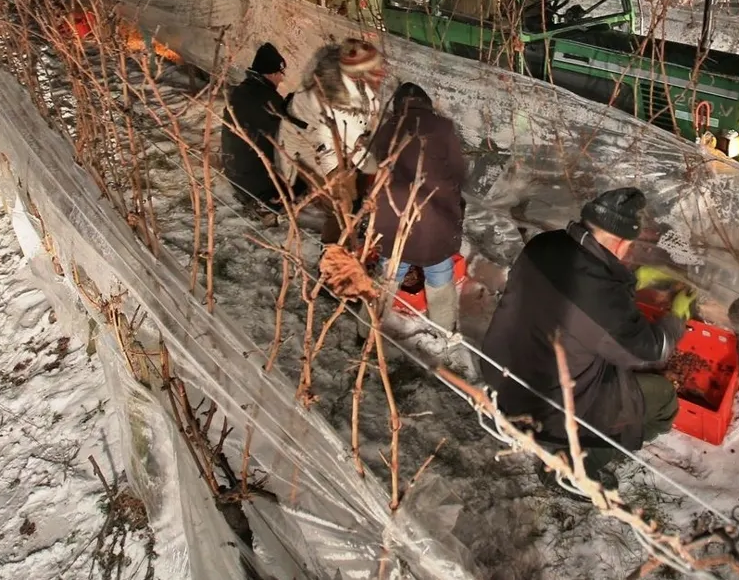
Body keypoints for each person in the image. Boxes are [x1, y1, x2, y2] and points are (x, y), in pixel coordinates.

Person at [479, 187, 693, 487]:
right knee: (663, 399)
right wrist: (678, 317)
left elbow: (587, 291)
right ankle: (575, 465)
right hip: (547, 402)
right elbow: (651, 350)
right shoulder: (599, 297)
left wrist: (632, 281)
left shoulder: (545, 244)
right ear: (621, 243)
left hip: (502, 374)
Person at [370, 83, 468, 335]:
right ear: (426, 102)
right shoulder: (443, 127)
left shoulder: (387, 128)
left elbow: (374, 167)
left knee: (387, 276)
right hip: (435, 215)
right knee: (439, 274)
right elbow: (459, 171)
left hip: (395, 217)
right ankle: (444, 329)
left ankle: (366, 328)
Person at [275, 38, 385, 240]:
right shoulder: (337, 101)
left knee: (347, 190)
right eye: (374, 70)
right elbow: (363, 158)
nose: (381, 75)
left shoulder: (338, 76)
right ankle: (331, 261)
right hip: (311, 148)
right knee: (341, 205)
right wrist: (383, 169)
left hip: (320, 140)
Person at [220, 42, 290, 210]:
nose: (282, 78)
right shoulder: (269, 100)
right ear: (272, 73)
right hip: (257, 186)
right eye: (281, 73)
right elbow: (289, 137)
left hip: (234, 174)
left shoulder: (240, 91)